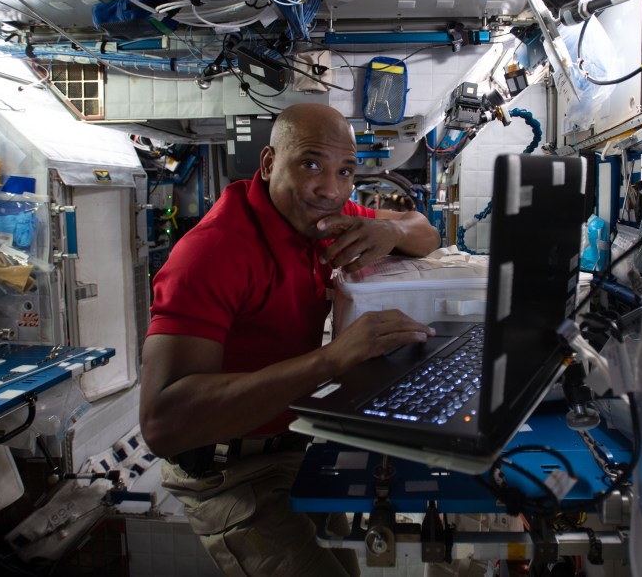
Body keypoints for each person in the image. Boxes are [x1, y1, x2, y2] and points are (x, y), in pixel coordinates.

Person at [139, 102, 439, 576]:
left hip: (297, 445)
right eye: (311, 164)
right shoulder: (212, 253)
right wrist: (332, 360)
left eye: (346, 171)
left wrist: (387, 229)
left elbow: (427, 233)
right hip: (229, 471)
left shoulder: (320, 220)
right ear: (268, 163)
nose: (332, 189)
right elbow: (163, 422)